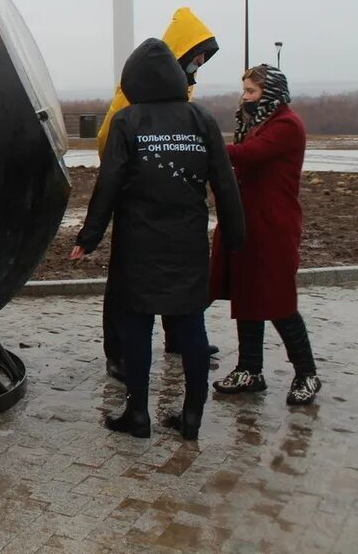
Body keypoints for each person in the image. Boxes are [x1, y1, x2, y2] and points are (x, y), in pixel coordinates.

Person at [73, 39, 244, 440]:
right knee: (190, 326)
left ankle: (138, 415)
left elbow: (109, 183)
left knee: (137, 327)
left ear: (132, 80)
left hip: (138, 242)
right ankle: (191, 417)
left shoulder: (127, 121)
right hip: (187, 242)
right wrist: (236, 237)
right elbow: (225, 182)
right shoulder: (200, 119)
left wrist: (90, 235)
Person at [94, 7, 222, 381]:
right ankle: (118, 351)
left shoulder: (183, 91)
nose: (197, 67)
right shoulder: (133, 95)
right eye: (195, 60)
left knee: (176, 275)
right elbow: (109, 141)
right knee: (126, 281)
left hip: (174, 205)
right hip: (138, 201)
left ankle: (179, 338)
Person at [210, 64, 321, 406]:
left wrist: (205, 148)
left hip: (273, 225)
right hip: (247, 223)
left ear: (270, 93)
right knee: (248, 293)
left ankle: (307, 373)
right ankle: (249, 370)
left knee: (277, 299)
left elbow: (249, 156)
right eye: (244, 91)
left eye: (251, 92)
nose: (245, 98)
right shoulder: (257, 124)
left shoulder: (286, 125)